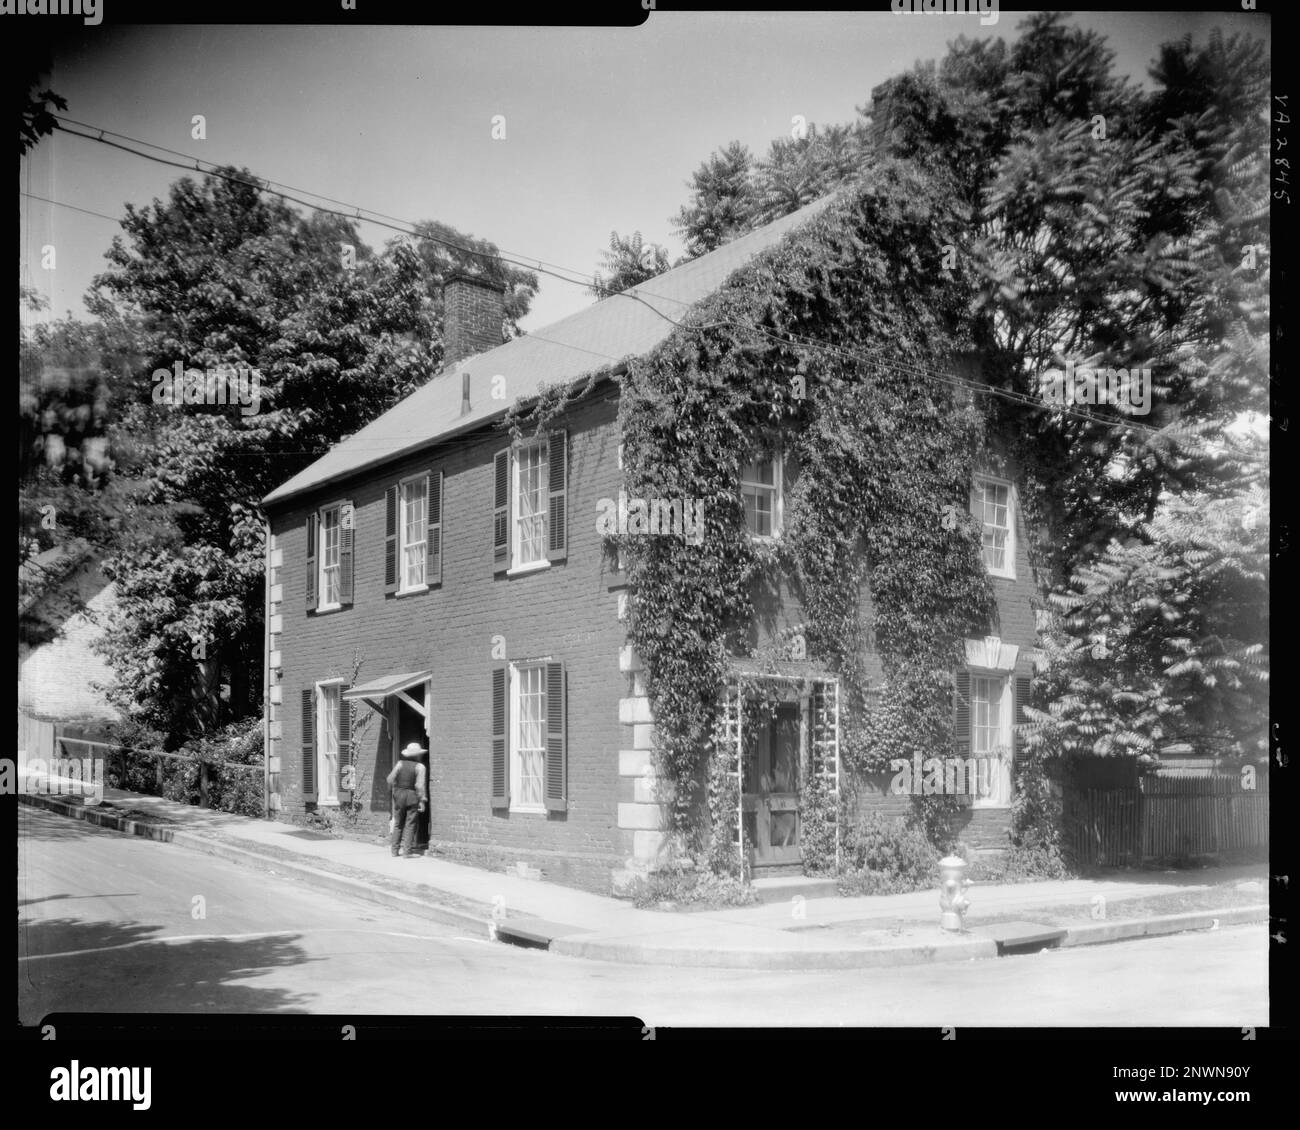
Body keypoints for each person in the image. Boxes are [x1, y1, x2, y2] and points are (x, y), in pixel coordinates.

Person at [385, 742, 426, 857]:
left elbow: (389, 779)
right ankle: (407, 851)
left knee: (398, 822)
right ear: (418, 755)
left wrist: (395, 789)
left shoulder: (400, 764)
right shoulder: (420, 767)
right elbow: (419, 786)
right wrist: (422, 801)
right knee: (410, 823)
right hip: (412, 795)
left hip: (399, 794)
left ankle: (394, 850)